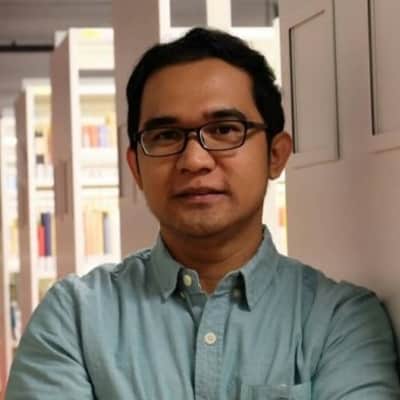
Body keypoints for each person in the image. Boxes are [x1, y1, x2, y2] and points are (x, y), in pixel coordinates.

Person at [5, 27, 399, 400]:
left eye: (225, 130)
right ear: (135, 168)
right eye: (165, 136)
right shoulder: (73, 318)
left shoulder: (340, 321)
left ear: (276, 154)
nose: (194, 160)